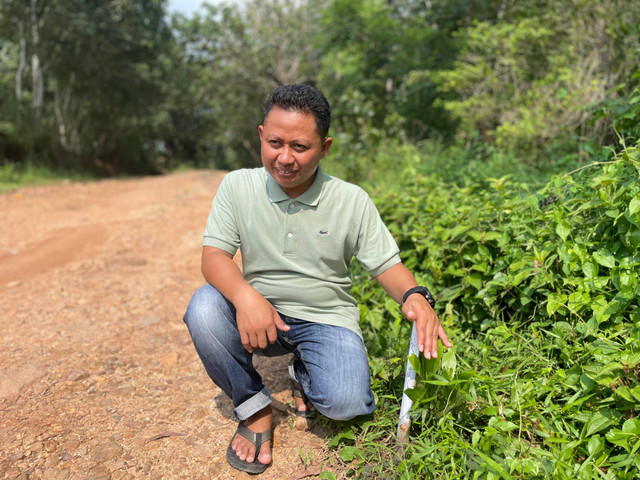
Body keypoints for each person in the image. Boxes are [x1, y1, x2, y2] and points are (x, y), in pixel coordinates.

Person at [183, 83, 451, 474]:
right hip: (259, 317)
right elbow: (214, 258)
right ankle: (254, 408)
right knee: (204, 307)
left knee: (346, 405)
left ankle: (302, 372)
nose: (285, 158)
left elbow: (386, 266)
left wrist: (414, 295)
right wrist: (246, 297)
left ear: (325, 148)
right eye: (275, 142)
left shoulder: (351, 199)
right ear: (261, 135)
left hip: (326, 318)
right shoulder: (238, 186)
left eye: (300, 147)